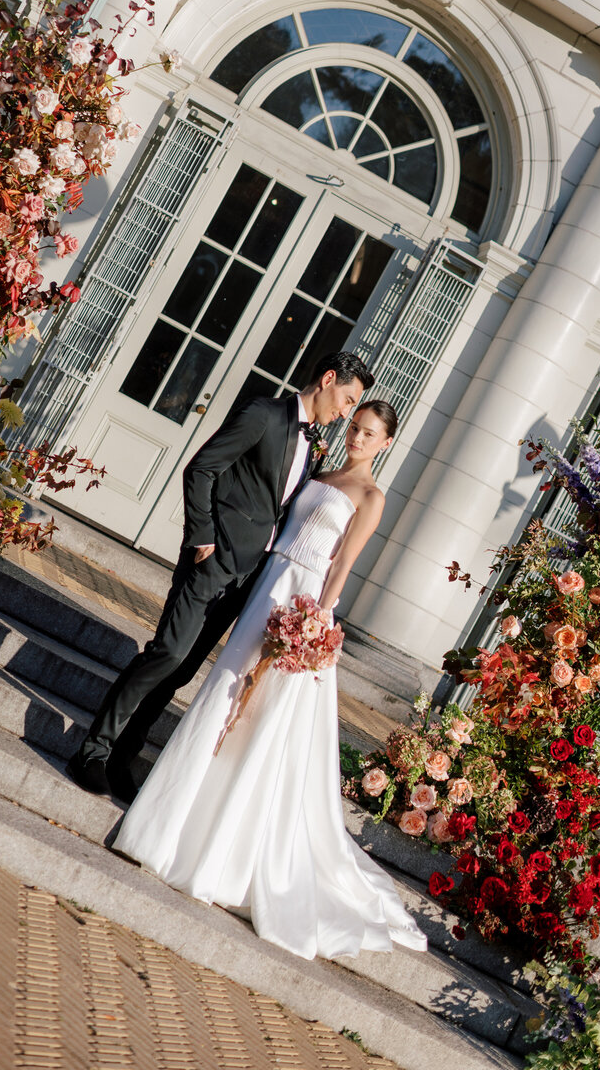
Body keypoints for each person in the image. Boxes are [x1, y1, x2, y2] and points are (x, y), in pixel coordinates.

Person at [112, 401, 428, 961]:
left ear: (385, 443)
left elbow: (341, 565)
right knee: (227, 694)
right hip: (270, 582)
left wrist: (312, 625)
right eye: (355, 426)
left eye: (369, 433)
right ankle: (171, 823)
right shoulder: (321, 471)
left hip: (302, 601)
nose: (356, 436)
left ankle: (217, 852)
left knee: (257, 718)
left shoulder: (371, 498)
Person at [66, 350, 374, 803]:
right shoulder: (263, 414)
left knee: (184, 669)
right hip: (211, 562)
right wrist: (202, 536)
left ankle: (122, 757)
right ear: (328, 379)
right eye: (348, 399)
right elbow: (202, 468)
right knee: (166, 653)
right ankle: (92, 751)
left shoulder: (314, 447)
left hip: (248, 580)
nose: (347, 412)